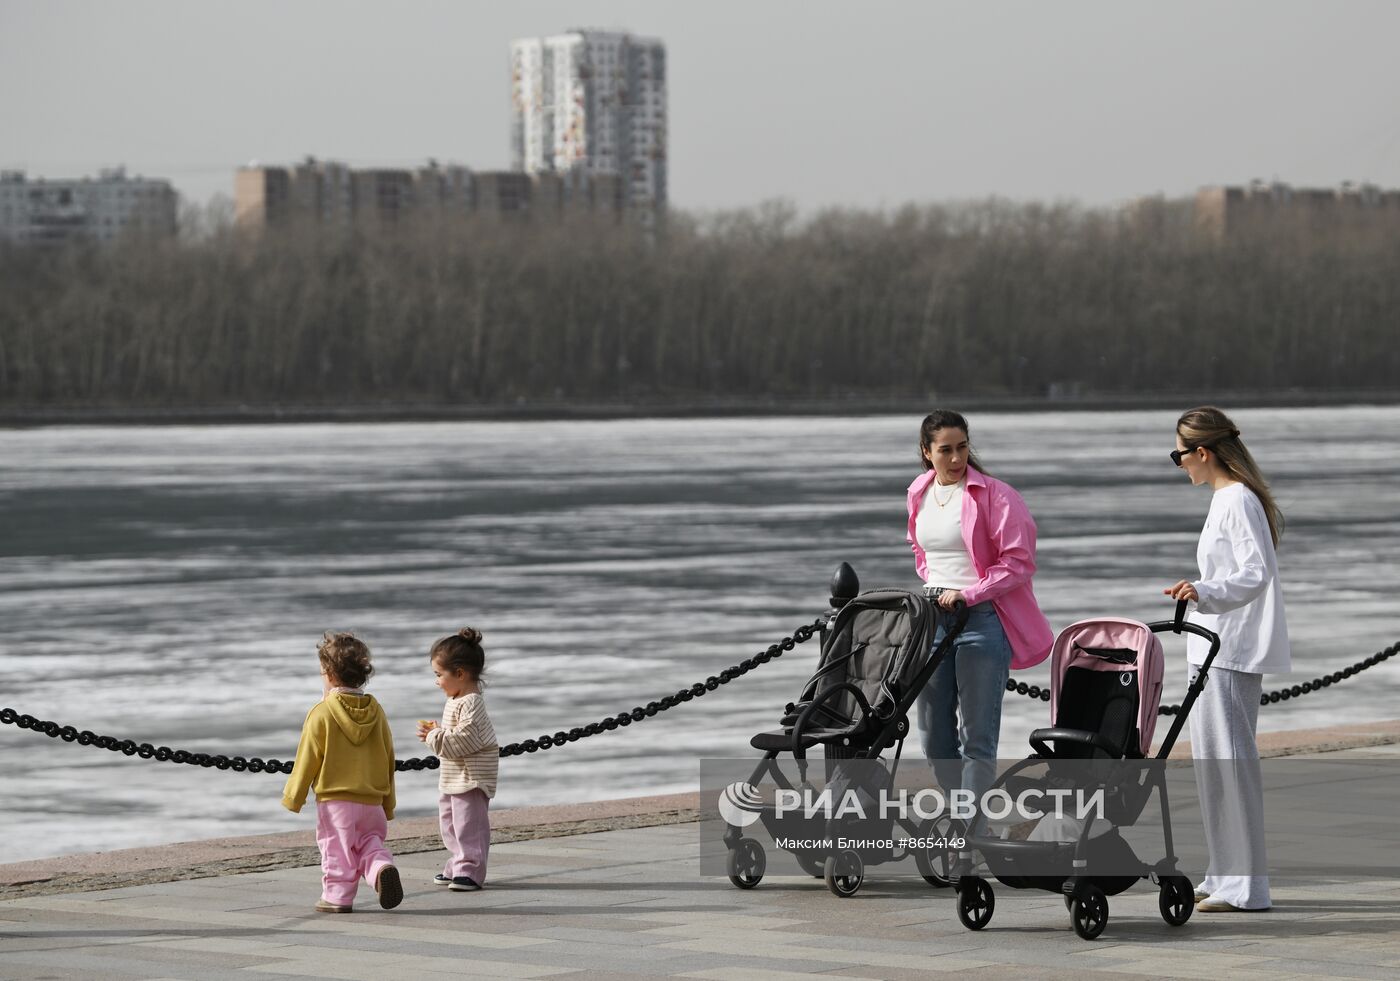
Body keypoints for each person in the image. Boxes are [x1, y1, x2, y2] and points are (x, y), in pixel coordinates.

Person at [1163, 406, 1289, 913]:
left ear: (1202, 452)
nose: (1179, 465)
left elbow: (1255, 572)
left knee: (1233, 767)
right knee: (1214, 767)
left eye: (1179, 455)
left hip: (1230, 650)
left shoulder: (1236, 499)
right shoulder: (1226, 498)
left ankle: (1248, 888)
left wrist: (1204, 590)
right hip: (1213, 647)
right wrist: (1204, 594)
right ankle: (1224, 877)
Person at [908, 410, 1054, 825]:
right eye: (945, 450)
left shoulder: (998, 495)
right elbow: (921, 551)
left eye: (962, 447)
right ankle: (967, 814)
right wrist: (935, 588)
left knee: (978, 739)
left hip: (982, 621)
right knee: (934, 738)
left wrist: (967, 593)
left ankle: (970, 831)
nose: (956, 459)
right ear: (926, 452)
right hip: (931, 623)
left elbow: (1018, 563)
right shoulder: (918, 491)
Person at [282, 631, 401, 913]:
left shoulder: (321, 713)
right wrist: (388, 802)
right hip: (371, 799)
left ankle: (337, 896)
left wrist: (293, 797)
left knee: (337, 849)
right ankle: (381, 867)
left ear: (330, 675)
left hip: (336, 802)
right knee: (370, 844)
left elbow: (307, 758)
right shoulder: (377, 712)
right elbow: (388, 758)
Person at [418, 627, 499, 892]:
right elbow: (454, 738)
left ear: (460, 673)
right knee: (450, 823)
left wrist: (434, 736)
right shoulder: (457, 699)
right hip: (454, 776)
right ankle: (457, 863)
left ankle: (471, 870)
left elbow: (462, 740)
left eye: (439, 675)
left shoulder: (472, 702)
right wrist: (437, 734)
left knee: (469, 825)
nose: (437, 681)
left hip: (471, 778)